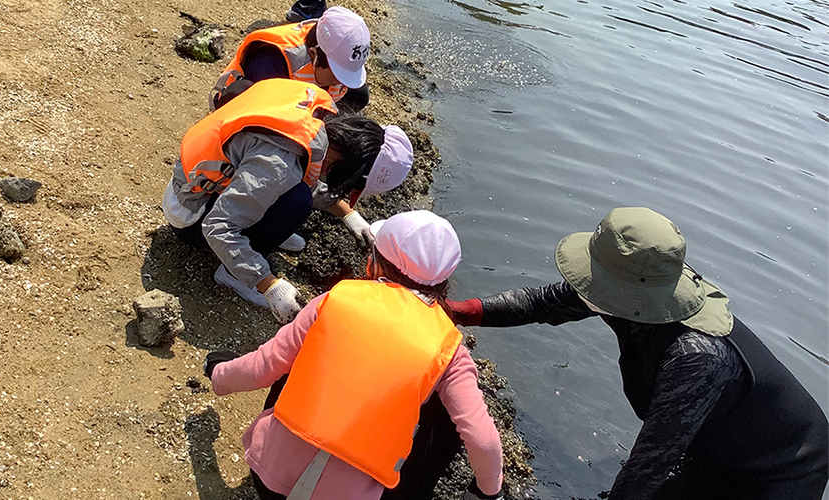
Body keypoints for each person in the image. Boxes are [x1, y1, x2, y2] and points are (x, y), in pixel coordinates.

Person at [447, 207, 829, 500]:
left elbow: (651, 462)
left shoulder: (696, 357)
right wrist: (462, 312)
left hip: (782, 471)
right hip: (715, 443)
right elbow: (545, 303)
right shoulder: (639, 289)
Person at [203, 210, 505, 500]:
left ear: (373, 265)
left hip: (269, 480)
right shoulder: (449, 348)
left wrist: (218, 373)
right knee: (445, 409)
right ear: (443, 283)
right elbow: (483, 439)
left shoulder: (337, 299)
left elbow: (262, 367)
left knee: (301, 356)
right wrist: (488, 492)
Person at [162, 78, 412, 323]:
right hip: (190, 213)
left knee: (299, 191)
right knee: (298, 200)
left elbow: (298, 175)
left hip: (195, 176)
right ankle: (233, 275)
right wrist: (268, 284)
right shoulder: (279, 163)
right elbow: (218, 226)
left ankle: (261, 234)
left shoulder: (317, 108)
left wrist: (349, 215)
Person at [210, 6, 371, 112]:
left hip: (298, 94)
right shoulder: (274, 61)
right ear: (314, 55)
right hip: (245, 101)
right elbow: (261, 110)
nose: (341, 83)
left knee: (359, 95)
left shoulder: (330, 45)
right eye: (337, 75)